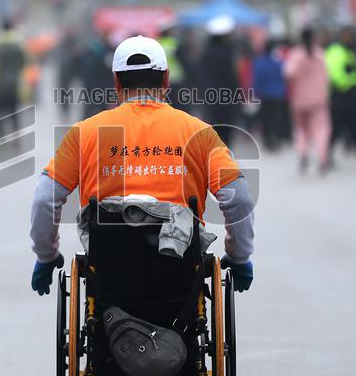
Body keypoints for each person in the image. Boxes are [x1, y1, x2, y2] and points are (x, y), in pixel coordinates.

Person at [29, 35, 254, 297]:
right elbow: (238, 199)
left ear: (115, 81)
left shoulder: (85, 133)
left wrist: (47, 256)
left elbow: (45, 198)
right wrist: (238, 256)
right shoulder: (199, 133)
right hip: (180, 270)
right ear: (167, 79)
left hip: (108, 272)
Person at [325, 27, 356, 165]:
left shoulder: (349, 52)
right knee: (335, 128)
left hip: (353, 95)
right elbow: (335, 75)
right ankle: (325, 156)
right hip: (341, 95)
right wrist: (350, 83)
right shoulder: (335, 52)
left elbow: (355, 72)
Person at [284, 28, 331, 174]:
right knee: (321, 129)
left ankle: (303, 153)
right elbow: (328, 76)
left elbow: (288, 73)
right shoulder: (320, 54)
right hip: (319, 99)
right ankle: (322, 158)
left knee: (301, 130)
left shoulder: (296, 54)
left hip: (300, 100)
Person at [198, 15, 241, 147]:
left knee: (214, 134)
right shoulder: (226, 54)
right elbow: (232, 79)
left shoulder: (205, 54)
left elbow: (199, 77)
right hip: (225, 101)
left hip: (209, 101)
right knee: (225, 134)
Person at [0, 18, 28, 141]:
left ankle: (1, 137)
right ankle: (16, 136)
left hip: (0, 85)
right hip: (15, 85)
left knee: (0, 112)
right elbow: (26, 60)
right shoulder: (19, 42)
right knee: (14, 111)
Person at [253, 39, 288, 151]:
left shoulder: (260, 62)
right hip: (278, 95)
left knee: (265, 118)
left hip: (265, 95)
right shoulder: (278, 62)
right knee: (276, 118)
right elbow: (284, 76)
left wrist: (255, 92)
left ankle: (267, 140)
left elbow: (256, 79)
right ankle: (276, 138)